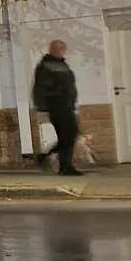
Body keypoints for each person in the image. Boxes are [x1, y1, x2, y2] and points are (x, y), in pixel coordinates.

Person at [33, 39, 82, 176]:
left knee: (67, 136)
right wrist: (44, 105)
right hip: (58, 107)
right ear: (52, 49)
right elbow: (42, 88)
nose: (62, 51)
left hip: (66, 106)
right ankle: (64, 166)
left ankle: (62, 164)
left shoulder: (60, 64)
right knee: (69, 135)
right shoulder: (48, 66)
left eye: (63, 48)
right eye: (60, 48)